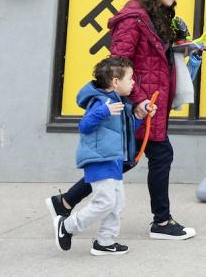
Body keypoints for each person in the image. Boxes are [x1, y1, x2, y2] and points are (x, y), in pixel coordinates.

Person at [47, 0, 197, 240]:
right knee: (149, 156)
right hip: (139, 107)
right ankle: (161, 223)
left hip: (152, 104)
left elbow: (153, 59)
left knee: (126, 160)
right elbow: (118, 63)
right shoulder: (133, 18)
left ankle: (65, 202)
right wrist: (138, 100)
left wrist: (182, 45)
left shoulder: (157, 16)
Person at [54, 56, 148, 255]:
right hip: (99, 159)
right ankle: (67, 226)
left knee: (117, 204)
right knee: (105, 202)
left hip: (113, 159)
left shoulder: (118, 103)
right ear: (115, 82)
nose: (133, 83)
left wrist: (139, 117)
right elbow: (85, 126)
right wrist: (103, 111)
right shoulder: (101, 102)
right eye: (130, 78)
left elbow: (122, 131)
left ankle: (105, 242)